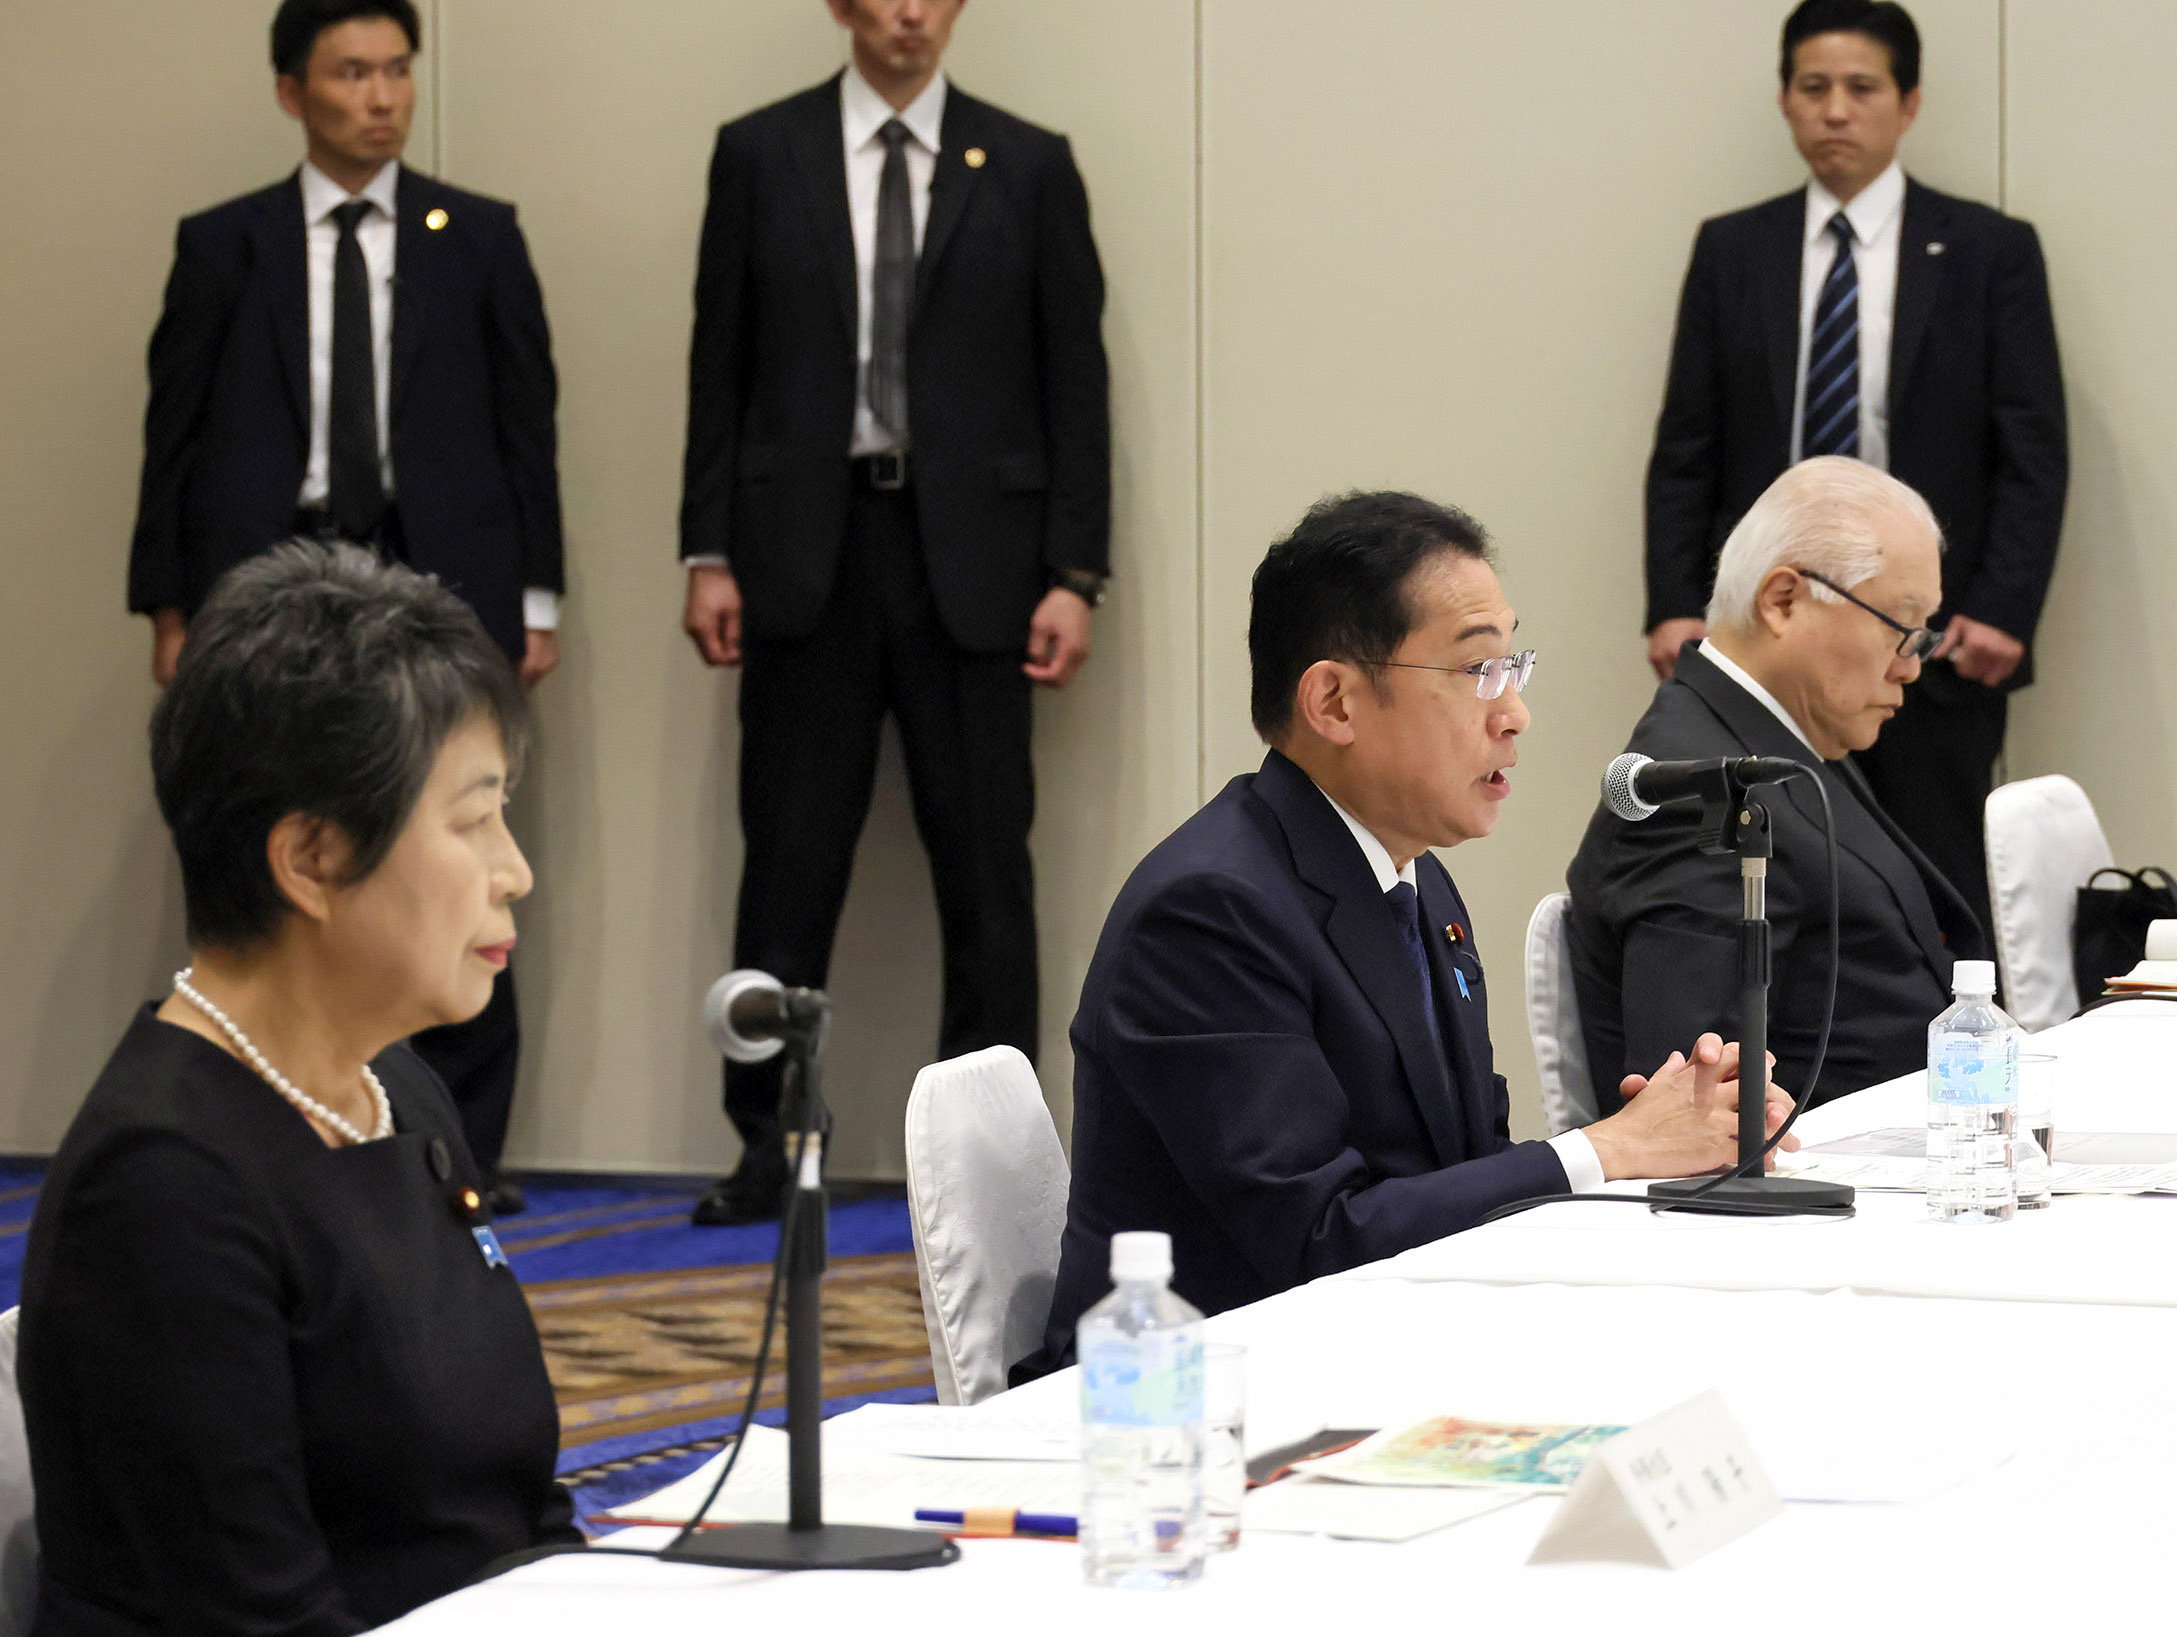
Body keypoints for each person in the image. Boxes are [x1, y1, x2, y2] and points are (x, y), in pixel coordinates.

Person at [1017, 492, 1796, 1379]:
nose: (1514, 714)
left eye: (1515, 666)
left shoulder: (1412, 876)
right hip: (1183, 1405)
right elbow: (1320, 1239)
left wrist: (1650, 1139)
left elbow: (1456, 1166)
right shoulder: (1208, 913)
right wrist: (1603, 1149)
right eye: (1476, 672)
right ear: (1335, 702)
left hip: (1373, 1356)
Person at [16, 543, 574, 1637]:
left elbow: (512, 1508)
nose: (513, 873)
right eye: (473, 823)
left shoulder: (399, 1095)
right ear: (311, 858)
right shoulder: (165, 1186)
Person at [127, 0, 566, 1211]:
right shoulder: (228, 244)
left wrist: (536, 595)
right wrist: (167, 606)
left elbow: (525, 426)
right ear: (291, 92)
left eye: (396, 71)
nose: (380, 95)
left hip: (440, 582)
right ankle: (273, 1122)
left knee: (455, 853)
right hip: (272, 579)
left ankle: (459, 1155)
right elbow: (174, 429)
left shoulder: (475, 236)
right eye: (351, 72)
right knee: (277, 852)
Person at [679, 0, 1111, 1224]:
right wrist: (708, 549)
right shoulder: (760, 153)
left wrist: (1072, 574)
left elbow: (1073, 379)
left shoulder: (1027, 163)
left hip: (976, 563)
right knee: (787, 861)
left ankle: (989, 1160)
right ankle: (767, 1142)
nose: (909, 14)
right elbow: (721, 360)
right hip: (803, 553)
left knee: (985, 871)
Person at [1642, 0, 2067, 931]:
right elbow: (1687, 446)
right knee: (1763, 877)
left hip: (1933, 645)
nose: (1836, 110)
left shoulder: (1989, 252)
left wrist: (2002, 608)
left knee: (1939, 885)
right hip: (1771, 636)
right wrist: (1676, 600)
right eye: (1813, 88)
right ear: (1786, 102)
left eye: (1861, 88)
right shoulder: (1733, 250)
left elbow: (2033, 450)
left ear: (1908, 103)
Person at [1573, 457, 1986, 1108]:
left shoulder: (1784, 738)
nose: (1911, 668)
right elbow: (1693, 1110)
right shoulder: (1703, 793)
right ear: (1784, 600)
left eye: (1922, 636)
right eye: (1900, 629)